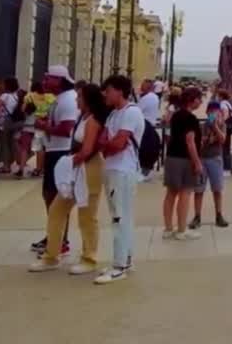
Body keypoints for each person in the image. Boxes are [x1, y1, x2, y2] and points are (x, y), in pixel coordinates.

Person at [30, 83, 107, 275]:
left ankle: (89, 257)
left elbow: (88, 149)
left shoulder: (94, 120)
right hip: (76, 166)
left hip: (89, 167)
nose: (76, 100)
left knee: (87, 215)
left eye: (79, 97)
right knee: (57, 210)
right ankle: (52, 255)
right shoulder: (82, 117)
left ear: (88, 99)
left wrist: (68, 162)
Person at [95, 75, 144, 284]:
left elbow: (118, 143)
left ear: (119, 91)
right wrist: (109, 144)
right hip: (113, 168)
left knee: (119, 218)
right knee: (120, 215)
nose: (105, 94)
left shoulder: (131, 113)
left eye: (108, 90)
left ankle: (120, 265)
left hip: (122, 171)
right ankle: (126, 258)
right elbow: (105, 141)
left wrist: (108, 145)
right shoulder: (114, 114)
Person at [32, 66, 78, 256]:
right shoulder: (59, 99)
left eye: (48, 78)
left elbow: (67, 129)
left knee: (56, 197)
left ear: (59, 81)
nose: (44, 81)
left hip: (60, 152)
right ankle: (54, 234)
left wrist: (44, 126)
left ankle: (59, 239)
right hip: (54, 150)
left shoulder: (67, 100)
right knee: (49, 196)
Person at [163, 87, 204, 240]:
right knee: (185, 193)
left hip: (172, 156)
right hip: (185, 159)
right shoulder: (191, 118)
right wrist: (197, 162)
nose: (200, 102)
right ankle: (181, 229)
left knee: (171, 193)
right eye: (199, 99)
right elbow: (190, 142)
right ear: (192, 100)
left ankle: (168, 228)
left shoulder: (176, 116)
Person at [192, 100, 229, 229]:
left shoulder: (222, 125)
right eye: (211, 111)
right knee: (199, 189)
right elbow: (199, 143)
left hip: (216, 159)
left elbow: (223, 139)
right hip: (202, 158)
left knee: (217, 189)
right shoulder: (201, 126)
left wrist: (215, 127)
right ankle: (197, 216)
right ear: (207, 112)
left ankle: (219, 214)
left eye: (216, 111)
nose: (213, 113)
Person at [136, 79, 161, 178]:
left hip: (145, 125)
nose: (141, 87)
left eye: (143, 85)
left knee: (142, 149)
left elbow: (137, 110)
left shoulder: (147, 98)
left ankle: (142, 170)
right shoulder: (154, 97)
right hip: (150, 124)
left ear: (149, 87)